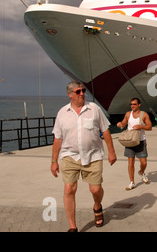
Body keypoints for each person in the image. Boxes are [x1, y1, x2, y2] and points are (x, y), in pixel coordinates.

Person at [51, 81, 117, 232]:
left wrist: (111, 152)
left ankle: (97, 205)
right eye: (78, 91)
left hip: (92, 155)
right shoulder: (62, 113)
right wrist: (54, 161)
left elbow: (105, 131)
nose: (82, 94)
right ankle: (72, 227)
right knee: (69, 189)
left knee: (95, 189)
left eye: (83, 90)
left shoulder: (94, 109)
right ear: (70, 95)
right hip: (69, 156)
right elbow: (58, 139)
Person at [116, 97, 152, 190]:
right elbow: (124, 123)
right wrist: (120, 124)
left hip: (140, 141)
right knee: (130, 163)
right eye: (131, 104)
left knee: (143, 162)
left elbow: (150, 127)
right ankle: (132, 182)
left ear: (139, 105)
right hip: (130, 141)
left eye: (134, 104)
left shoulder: (144, 115)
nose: (132, 106)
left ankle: (142, 172)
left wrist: (141, 126)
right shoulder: (128, 114)